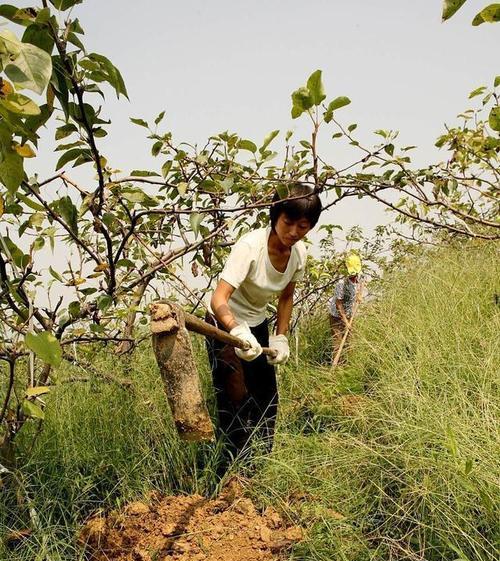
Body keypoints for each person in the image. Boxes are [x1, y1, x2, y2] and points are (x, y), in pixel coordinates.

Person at [206, 183, 322, 463]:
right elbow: (218, 297)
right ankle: (230, 470)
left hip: (257, 325)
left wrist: (280, 337)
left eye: (303, 226)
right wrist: (234, 329)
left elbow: (286, 297)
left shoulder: (299, 254)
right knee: (235, 398)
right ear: (275, 216)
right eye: (288, 222)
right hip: (224, 325)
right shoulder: (250, 247)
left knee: (266, 398)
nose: (294, 232)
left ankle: (261, 464)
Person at [329, 253, 362, 364]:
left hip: (349, 314)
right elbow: (338, 304)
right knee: (338, 343)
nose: (354, 275)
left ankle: (349, 366)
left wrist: (358, 296)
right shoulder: (341, 283)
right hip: (337, 316)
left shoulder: (358, 277)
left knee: (349, 342)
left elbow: (359, 287)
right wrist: (345, 321)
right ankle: (336, 368)